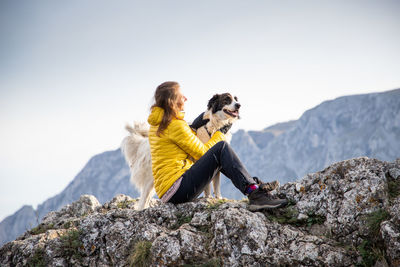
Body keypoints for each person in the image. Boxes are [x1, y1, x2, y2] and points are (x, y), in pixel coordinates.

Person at [147, 81, 288, 211]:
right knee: (221, 148)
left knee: (221, 151)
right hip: (178, 189)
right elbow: (202, 153)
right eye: (181, 95)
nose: (185, 98)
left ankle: (254, 187)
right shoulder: (175, 124)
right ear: (172, 101)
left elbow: (180, 143)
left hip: (169, 191)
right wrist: (220, 133)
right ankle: (255, 194)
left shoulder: (159, 124)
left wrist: (192, 127)